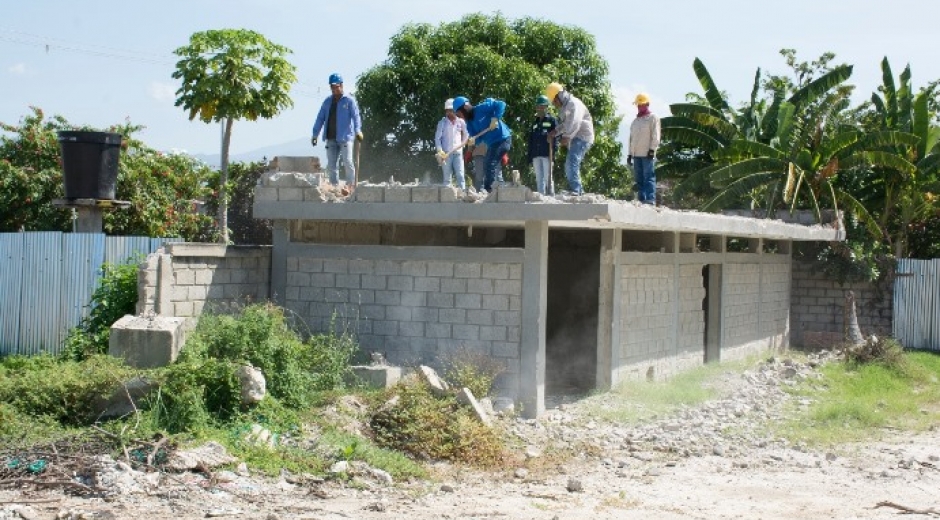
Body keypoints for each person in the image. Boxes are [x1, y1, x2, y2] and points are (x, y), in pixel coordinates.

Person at [311, 73, 363, 187]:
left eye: (336, 86)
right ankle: (334, 187)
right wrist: (315, 135)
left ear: (341, 85)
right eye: (332, 87)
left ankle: (350, 186)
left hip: (345, 138)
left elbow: (356, 117)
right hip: (330, 138)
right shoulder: (327, 102)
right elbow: (320, 118)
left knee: (348, 161)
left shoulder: (349, 101)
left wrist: (358, 130)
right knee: (332, 165)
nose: (334, 89)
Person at [453, 96, 511, 192]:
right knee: (488, 164)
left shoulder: (482, 108)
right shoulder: (470, 123)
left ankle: (489, 190)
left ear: (465, 107)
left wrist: (495, 118)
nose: (460, 117)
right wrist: (473, 140)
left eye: (459, 114)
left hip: (503, 138)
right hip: (492, 144)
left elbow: (501, 104)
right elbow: (478, 138)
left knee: (489, 163)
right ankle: (492, 190)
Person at [545, 82, 594, 195]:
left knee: (572, 161)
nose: (554, 104)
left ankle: (577, 190)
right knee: (570, 163)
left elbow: (575, 123)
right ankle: (576, 189)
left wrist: (567, 137)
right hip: (576, 137)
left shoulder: (573, 104)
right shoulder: (566, 106)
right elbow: (566, 124)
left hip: (582, 137)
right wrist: (555, 131)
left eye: (555, 100)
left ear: (560, 96)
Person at [628, 93, 661, 205]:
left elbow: (656, 135)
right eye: (638, 105)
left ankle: (650, 199)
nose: (639, 107)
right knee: (639, 179)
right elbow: (631, 139)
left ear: (647, 104)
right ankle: (641, 199)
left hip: (647, 154)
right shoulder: (635, 122)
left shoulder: (653, 118)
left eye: (642, 104)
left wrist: (652, 150)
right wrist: (629, 154)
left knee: (649, 177)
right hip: (636, 154)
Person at [526, 94, 558, 195]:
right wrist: (530, 156)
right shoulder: (535, 123)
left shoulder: (551, 120)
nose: (539, 108)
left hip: (547, 154)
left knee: (548, 177)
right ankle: (541, 197)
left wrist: (553, 152)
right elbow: (531, 140)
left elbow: (556, 136)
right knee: (539, 178)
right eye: (538, 106)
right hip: (536, 154)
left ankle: (551, 198)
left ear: (546, 107)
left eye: (542, 106)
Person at [434, 98, 469, 189]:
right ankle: (447, 197)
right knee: (447, 178)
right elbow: (437, 138)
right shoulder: (442, 123)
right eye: (449, 111)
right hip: (446, 153)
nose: (451, 113)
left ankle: (463, 195)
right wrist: (439, 150)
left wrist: (463, 143)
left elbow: (466, 135)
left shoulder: (461, 122)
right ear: (447, 111)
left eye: (453, 111)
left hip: (458, 153)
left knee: (460, 175)